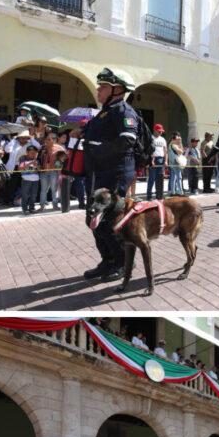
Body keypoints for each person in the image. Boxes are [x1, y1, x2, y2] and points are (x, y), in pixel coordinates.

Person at [82, 68, 140, 280]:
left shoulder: (123, 111)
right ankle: (108, 261)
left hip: (114, 173)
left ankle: (123, 263)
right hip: (99, 174)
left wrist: (97, 148)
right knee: (94, 220)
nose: (98, 89)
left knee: (111, 222)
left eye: (104, 86)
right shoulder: (105, 112)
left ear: (118, 90)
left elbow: (127, 140)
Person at [146, 123, 167, 201]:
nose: (160, 133)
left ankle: (159, 195)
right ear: (155, 130)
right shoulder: (150, 138)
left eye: (161, 131)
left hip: (161, 159)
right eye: (159, 131)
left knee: (160, 178)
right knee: (152, 178)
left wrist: (165, 161)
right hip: (153, 159)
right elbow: (148, 151)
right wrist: (150, 161)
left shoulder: (163, 139)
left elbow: (165, 151)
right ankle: (149, 196)